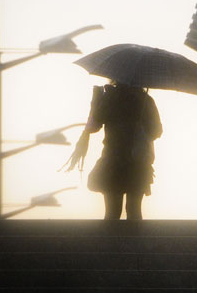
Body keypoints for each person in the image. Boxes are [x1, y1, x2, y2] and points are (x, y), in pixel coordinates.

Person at [65, 82, 162, 220]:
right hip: (138, 164)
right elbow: (156, 132)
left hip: (113, 162)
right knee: (134, 211)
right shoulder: (145, 100)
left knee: (112, 212)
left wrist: (96, 101)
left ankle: (110, 241)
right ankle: (135, 241)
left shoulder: (111, 98)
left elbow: (94, 125)